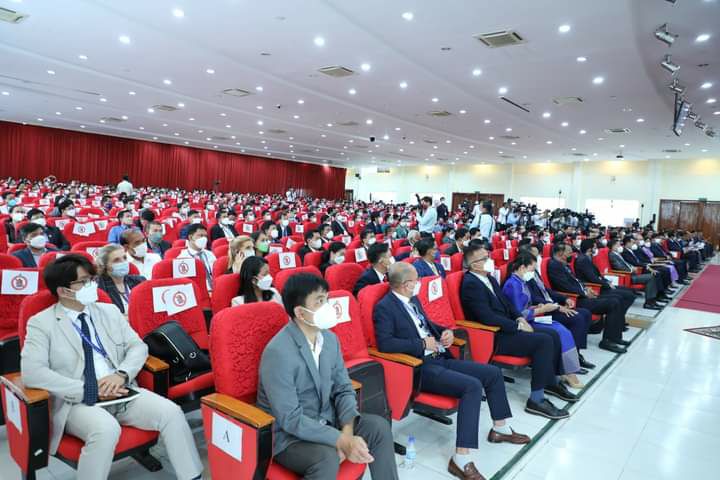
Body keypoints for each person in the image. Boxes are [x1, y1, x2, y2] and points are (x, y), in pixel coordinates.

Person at [20, 254, 203, 480]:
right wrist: (89, 389)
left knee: (171, 412)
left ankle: (192, 476)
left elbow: (138, 347)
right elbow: (33, 373)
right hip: (77, 401)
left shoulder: (108, 311)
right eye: (84, 281)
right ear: (63, 291)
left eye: (92, 280)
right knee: (106, 429)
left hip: (121, 389)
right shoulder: (41, 323)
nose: (92, 286)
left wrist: (122, 374)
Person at [374, 262, 529, 479]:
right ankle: (461, 459)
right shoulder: (384, 307)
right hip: (420, 368)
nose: (420, 284)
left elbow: (426, 325)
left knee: (492, 374)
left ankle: (500, 429)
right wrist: (421, 344)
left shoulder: (413, 299)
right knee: (472, 386)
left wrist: (444, 332)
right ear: (406, 284)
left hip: (439, 357)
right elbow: (385, 344)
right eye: (416, 280)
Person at [257, 273, 398, 480]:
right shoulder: (278, 352)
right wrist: (339, 440)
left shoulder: (330, 340)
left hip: (327, 419)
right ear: (300, 312)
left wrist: (347, 432)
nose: (327, 307)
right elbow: (290, 419)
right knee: (327, 457)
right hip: (289, 437)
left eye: (327, 299)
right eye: (319, 301)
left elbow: (343, 388)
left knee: (379, 427)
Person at [461, 244, 575, 419]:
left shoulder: (488, 278)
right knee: (543, 341)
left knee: (552, 334)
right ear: (475, 265)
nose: (490, 260)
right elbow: (486, 317)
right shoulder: (471, 284)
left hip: (507, 326)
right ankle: (536, 400)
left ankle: (550, 381)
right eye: (485, 258)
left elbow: (506, 304)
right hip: (493, 335)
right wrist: (517, 326)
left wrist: (520, 318)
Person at [503, 252, 584, 389]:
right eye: (532, 269)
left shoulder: (521, 282)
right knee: (558, 331)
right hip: (523, 323)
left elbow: (526, 305)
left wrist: (537, 307)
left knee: (561, 329)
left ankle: (567, 370)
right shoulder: (512, 284)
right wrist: (542, 309)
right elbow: (518, 313)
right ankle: (566, 372)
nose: (533, 273)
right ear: (522, 267)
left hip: (532, 317)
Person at [547, 243, 629, 354]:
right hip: (575, 299)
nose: (572, 255)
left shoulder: (563, 264)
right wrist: (584, 293)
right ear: (561, 253)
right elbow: (564, 286)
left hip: (582, 295)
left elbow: (576, 281)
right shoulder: (554, 265)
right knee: (613, 302)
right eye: (569, 252)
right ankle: (608, 341)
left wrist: (586, 288)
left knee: (618, 298)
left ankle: (615, 337)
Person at [523, 244, 594, 370]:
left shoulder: (534, 272)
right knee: (577, 318)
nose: (539, 258)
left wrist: (564, 298)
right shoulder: (523, 275)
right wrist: (556, 306)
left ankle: (576, 354)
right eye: (535, 255)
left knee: (585, 313)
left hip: (552, 305)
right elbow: (533, 298)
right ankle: (570, 362)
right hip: (542, 312)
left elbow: (547, 290)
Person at [574, 239, 639, 313]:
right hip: (596, 287)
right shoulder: (582, 260)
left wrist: (607, 282)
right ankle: (618, 315)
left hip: (601, 284)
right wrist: (607, 284)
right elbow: (592, 278)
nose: (596, 249)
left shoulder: (588, 257)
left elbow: (598, 275)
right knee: (627, 295)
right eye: (594, 248)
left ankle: (619, 315)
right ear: (589, 249)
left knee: (631, 291)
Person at [608, 239, 667, 310]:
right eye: (618, 245)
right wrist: (631, 270)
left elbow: (626, 263)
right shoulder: (612, 255)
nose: (620, 246)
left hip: (631, 274)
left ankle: (651, 301)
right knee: (650, 277)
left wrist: (632, 267)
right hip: (627, 276)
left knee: (652, 276)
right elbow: (618, 267)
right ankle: (649, 302)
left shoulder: (617, 254)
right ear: (613, 246)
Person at [95, 244, 145, 317]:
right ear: (105, 265)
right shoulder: (100, 288)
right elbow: (107, 316)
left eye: (124, 258)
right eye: (116, 260)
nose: (123, 262)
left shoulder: (140, 281)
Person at [177, 223, 216, 292]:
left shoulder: (210, 254)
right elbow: (184, 284)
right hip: (197, 292)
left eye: (205, 236)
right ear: (190, 237)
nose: (204, 239)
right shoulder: (182, 258)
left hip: (215, 289)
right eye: (201, 235)